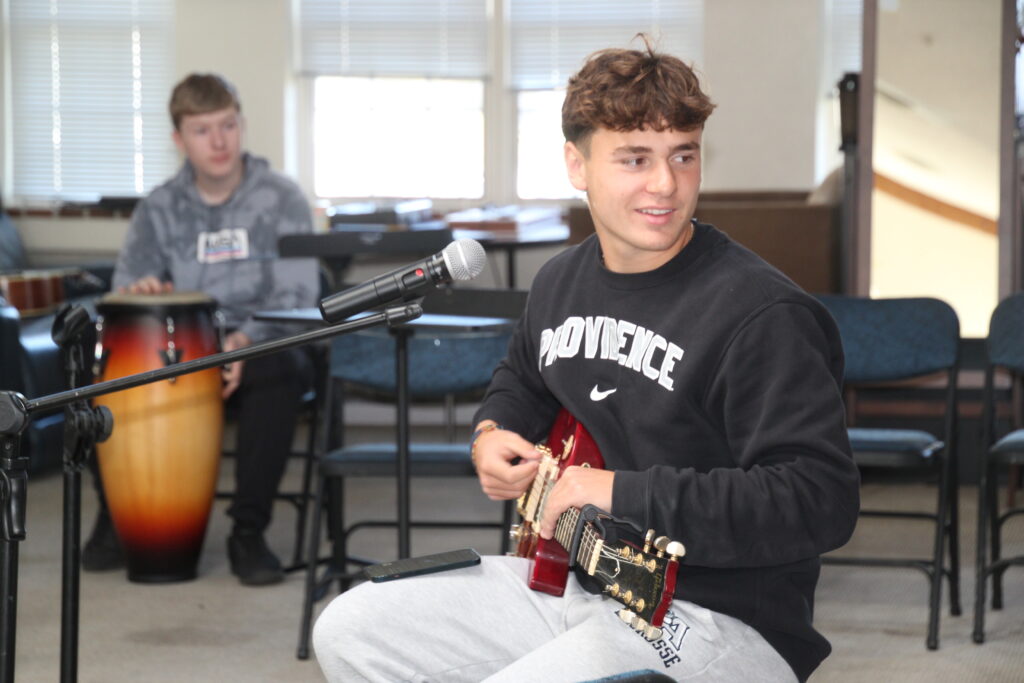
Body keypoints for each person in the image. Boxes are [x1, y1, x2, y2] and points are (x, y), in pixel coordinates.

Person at [312, 37, 860, 682]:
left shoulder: (763, 313)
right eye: (635, 159)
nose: (666, 183)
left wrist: (622, 491)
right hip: (576, 585)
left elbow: (820, 498)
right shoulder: (559, 281)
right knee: (350, 628)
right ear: (577, 164)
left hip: (716, 618)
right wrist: (492, 431)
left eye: (683, 155)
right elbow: (524, 378)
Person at [82, 73, 319, 586]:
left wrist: (244, 342)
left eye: (227, 125)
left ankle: (248, 532)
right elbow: (124, 291)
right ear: (179, 139)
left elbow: (299, 296)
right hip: (179, 350)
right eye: (202, 130)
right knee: (94, 368)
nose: (218, 142)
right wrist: (142, 290)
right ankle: (116, 513)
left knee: (277, 371)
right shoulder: (159, 207)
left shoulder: (282, 198)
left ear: (242, 125)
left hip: (261, 343)